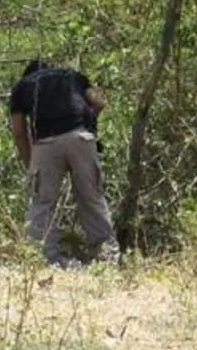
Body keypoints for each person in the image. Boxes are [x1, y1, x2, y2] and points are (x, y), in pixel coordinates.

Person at [9, 59, 120, 266]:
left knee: (42, 202)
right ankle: (107, 257)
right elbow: (99, 103)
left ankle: (45, 258)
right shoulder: (72, 76)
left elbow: (18, 132)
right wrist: (88, 122)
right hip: (81, 137)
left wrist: (30, 164)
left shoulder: (23, 86)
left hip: (47, 141)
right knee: (92, 197)